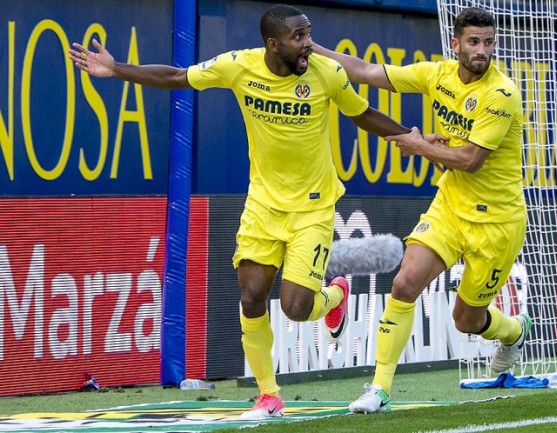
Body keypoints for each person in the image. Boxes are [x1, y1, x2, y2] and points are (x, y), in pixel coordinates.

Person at [70, 4, 415, 419]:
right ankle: (269, 396)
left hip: (312, 208)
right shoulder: (239, 66)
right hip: (262, 207)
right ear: (273, 44)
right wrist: (117, 69)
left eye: (309, 34)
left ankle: (336, 293)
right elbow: (179, 77)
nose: (309, 45)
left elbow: (364, 115)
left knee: (295, 308)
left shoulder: (327, 74)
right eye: (299, 38)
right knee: (251, 296)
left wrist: (414, 141)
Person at [312, 7, 532, 414]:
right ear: (456, 44)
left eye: (488, 42)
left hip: (497, 223)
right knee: (404, 284)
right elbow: (365, 72)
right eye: (474, 42)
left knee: (466, 319)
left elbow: (469, 159)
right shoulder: (438, 75)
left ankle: (514, 331)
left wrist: (421, 146)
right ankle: (379, 389)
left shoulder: (501, 94)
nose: (482, 51)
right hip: (450, 205)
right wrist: (312, 48)